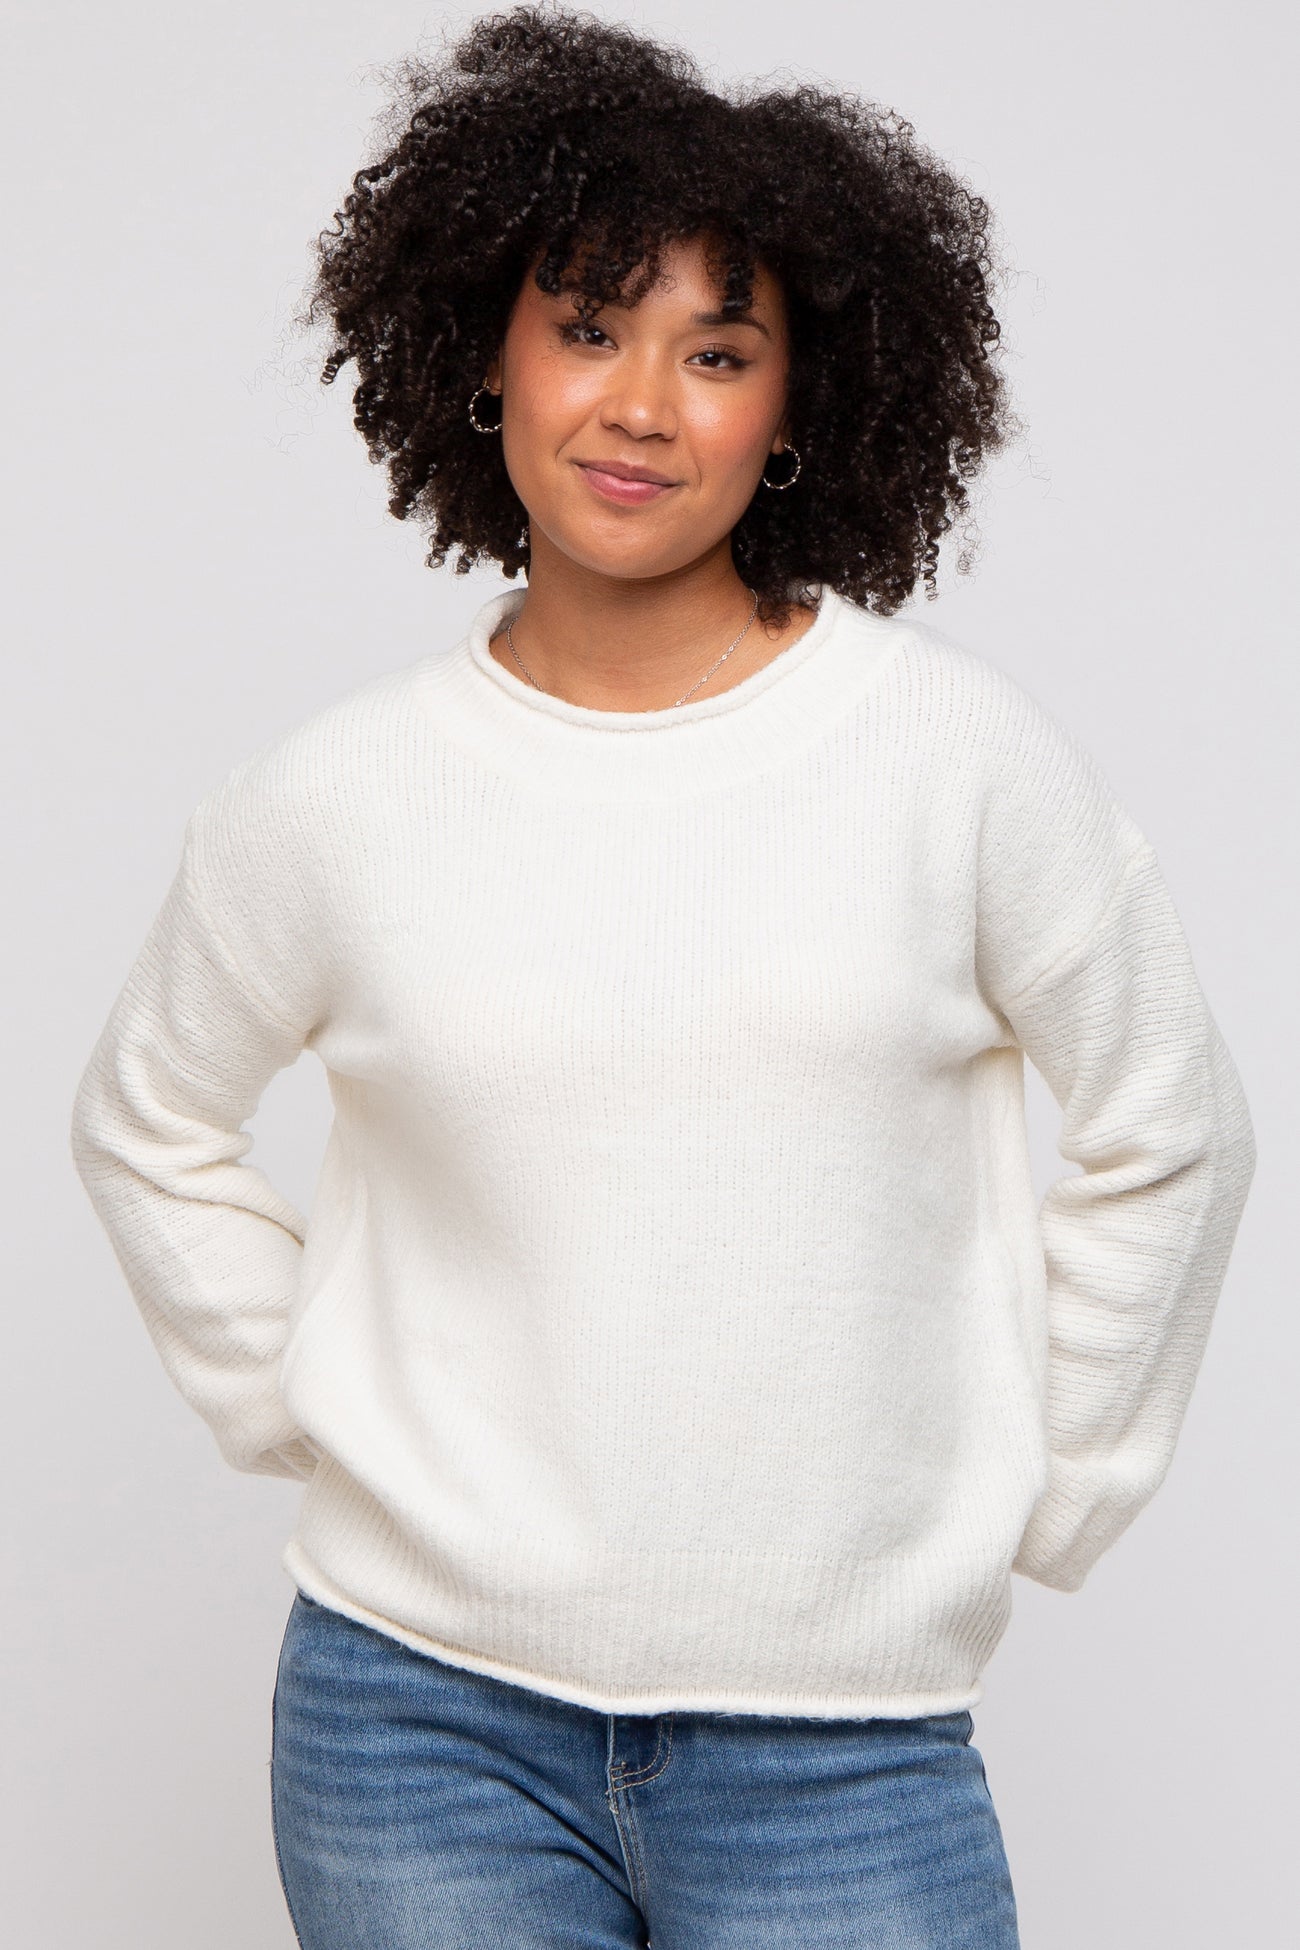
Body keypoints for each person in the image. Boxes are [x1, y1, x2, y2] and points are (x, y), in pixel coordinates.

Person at [68, 8, 1257, 1947]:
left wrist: (1051, 1484)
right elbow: (148, 1121)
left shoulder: (954, 765)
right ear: (486, 354)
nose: (638, 404)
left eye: (715, 352)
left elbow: (1169, 1125)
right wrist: (309, 1400)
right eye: (587, 327)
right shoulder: (337, 798)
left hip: (840, 1746)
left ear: (796, 408)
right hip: (410, 1723)